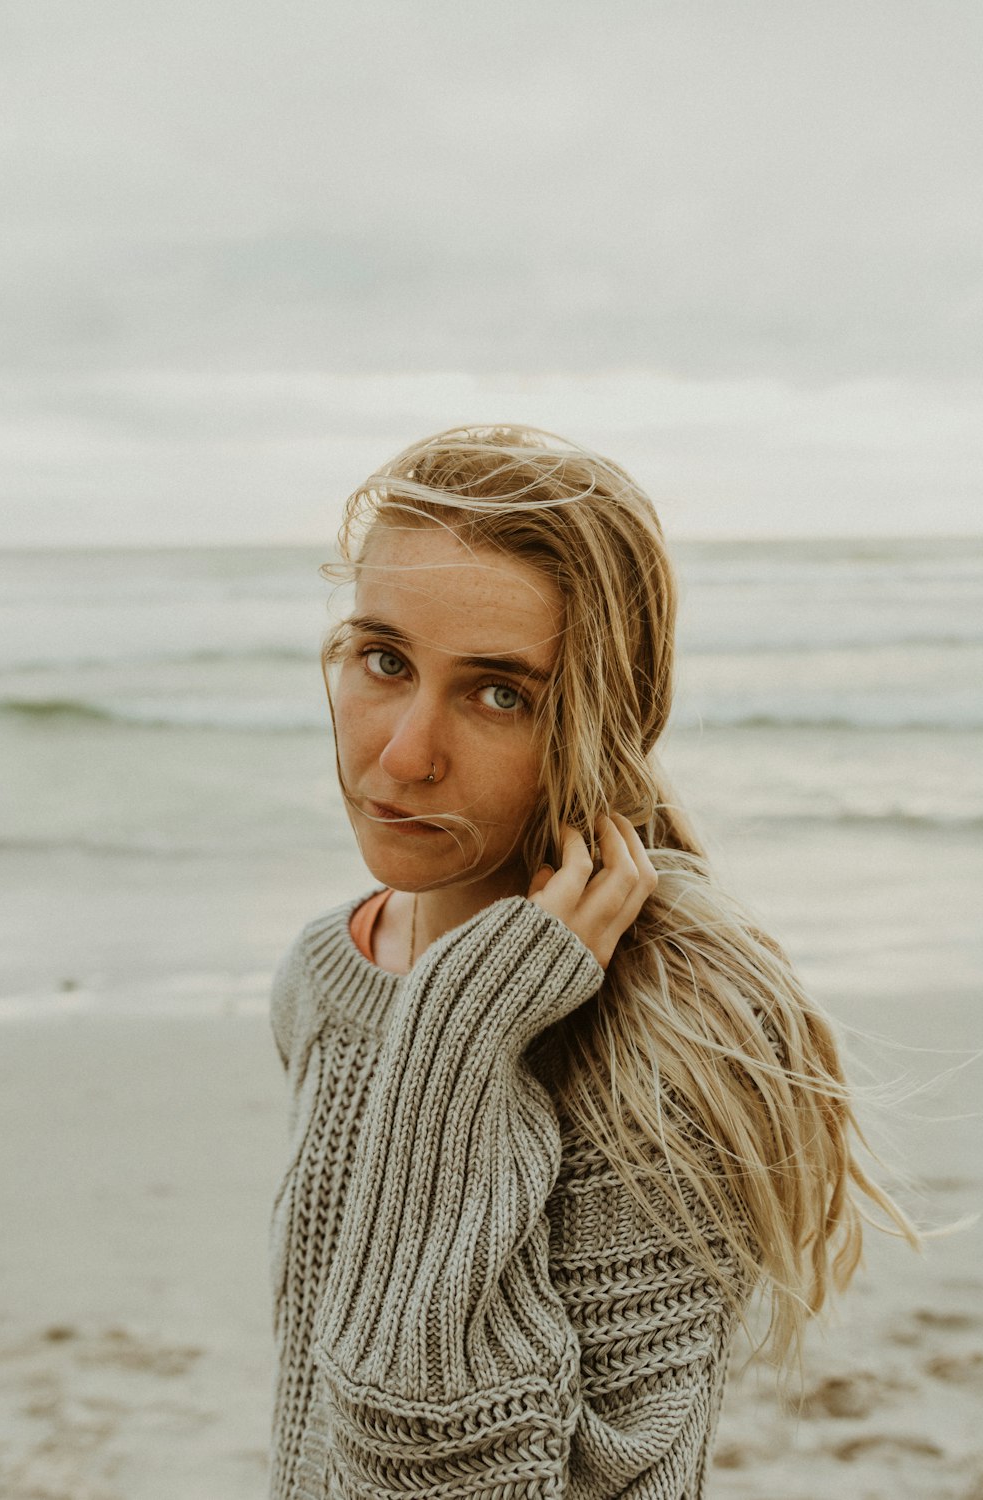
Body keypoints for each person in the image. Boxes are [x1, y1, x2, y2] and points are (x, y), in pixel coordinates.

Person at [267, 424, 916, 1498]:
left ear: (600, 719)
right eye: (384, 660)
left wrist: (460, 1031)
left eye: (498, 693)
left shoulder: (679, 1022)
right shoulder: (324, 975)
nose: (401, 752)